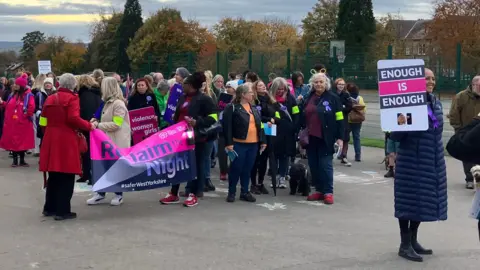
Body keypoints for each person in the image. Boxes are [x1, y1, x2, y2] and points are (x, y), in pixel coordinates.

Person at [389, 68, 447, 262]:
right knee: (408, 202)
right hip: (411, 160)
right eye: (426, 78)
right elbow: (396, 135)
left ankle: (413, 240)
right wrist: (400, 122)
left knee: (422, 201)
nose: (430, 81)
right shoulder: (407, 103)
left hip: (431, 160)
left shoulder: (434, 101)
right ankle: (404, 244)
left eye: (432, 78)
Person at [39, 73, 95, 221]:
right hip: (66, 139)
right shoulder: (72, 98)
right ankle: (62, 210)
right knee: (67, 174)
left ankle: (49, 207)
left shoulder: (50, 98)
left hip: (51, 137)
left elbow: (43, 120)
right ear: (73, 85)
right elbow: (73, 118)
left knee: (54, 175)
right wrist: (89, 126)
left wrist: (47, 132)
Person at [159, 72, 217, 207]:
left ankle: (194, 194)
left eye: (183, 83)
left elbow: (214, 117)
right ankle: (174, 193)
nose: (181, 85)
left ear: (190, 85)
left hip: (196, 139)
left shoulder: (204, 99)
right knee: (177, 164)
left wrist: (198, 122)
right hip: (179, 137)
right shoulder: (183, 97)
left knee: (196, 165)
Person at [299, 72, 344, 205]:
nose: (318, 84)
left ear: (326, 84)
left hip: (326, 138)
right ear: (312, 84)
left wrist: (340, 137)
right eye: (316, 82)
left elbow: (340, 119)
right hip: (310, 138)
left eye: (321, 82)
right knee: (314, 165)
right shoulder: (308, 97)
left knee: (325, 165)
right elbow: (303, 115)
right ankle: (319, 190)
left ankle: (328, 192)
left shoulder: (333, 98)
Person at [87, 77, 131, 206]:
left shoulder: (118, 104)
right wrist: (94, 121)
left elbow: (117, 124)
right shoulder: (106, 103)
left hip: (117, 141)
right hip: (106, 140)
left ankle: (119, 194)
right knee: (103, 167)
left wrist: (99, 125)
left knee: (116, 168)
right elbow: (99, 116)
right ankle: (100, 193)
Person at [223, 83, 266, 202]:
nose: (253, 94)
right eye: (250, 92)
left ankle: (245, 192)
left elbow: (260, 125)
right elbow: (227, 127)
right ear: (243, 94)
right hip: (238, 143)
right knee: (236, 168)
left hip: (253, 144)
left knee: (248, 169)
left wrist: (263, 140)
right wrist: (229, 143)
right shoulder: (232, 107)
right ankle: (231, 192)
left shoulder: (253, 107)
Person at [448, 75, 480, 189]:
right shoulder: (461, 96)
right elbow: (453, 114)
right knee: (467, 157)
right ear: (473, 85)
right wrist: (458, 129)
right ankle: (469, 179)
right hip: (465, 132)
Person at [250, 80, 279, 195]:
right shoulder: (254, 101)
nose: (262, 87)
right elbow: (256, 116)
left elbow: (277, 113)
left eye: (263, 85)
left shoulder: (270, 100)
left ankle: (260, 183)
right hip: (258, 131)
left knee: (264, 159)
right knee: (256, 159)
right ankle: (253, 183)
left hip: (269, 131)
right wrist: (268, 120)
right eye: (259, 86)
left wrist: (275, 119)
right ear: (255, 88)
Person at [269, 77, 299, 189]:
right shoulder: (269, 99)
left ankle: (282, 177)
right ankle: (274, 177)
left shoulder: (291, 99)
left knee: (284, 156)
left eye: (283, 89)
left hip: (287, 131)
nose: (280, 91)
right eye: (278, 89)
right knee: (273, 156)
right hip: (273, 130)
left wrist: (294, 127)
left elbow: (296, 113)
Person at [0, 74, 35, 167]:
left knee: (23, 142)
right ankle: (15, 161)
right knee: (13, 142)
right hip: (12, 123)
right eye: (15, 84)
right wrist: (2, 103)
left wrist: (24, 116)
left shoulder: (28, 95)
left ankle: (22, 160)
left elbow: (31, 108)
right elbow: (7, 105)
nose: (14, 85)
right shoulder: (12, 95)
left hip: (23, 123)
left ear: (22, 86)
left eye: (17, 84)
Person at [333, 78, 353, 166]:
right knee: (332, 136)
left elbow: (349, 107)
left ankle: (343, 156)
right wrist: (341, 107)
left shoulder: (346, 95)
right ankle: (331, 155)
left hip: (344, 119)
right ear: (336, 85)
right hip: (333, 119)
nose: (341, 86)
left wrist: (341, 108)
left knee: (345, 138)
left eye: (342, 84)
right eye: (339, 84)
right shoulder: (332, 94)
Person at [346, 83, 365, 161]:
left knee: (345, 138)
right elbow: (364, 109)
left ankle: (343, 154)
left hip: (348, 120)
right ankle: (358, 155)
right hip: (357, 120)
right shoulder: (360, 98)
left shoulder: (347, 97)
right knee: (356, 137)